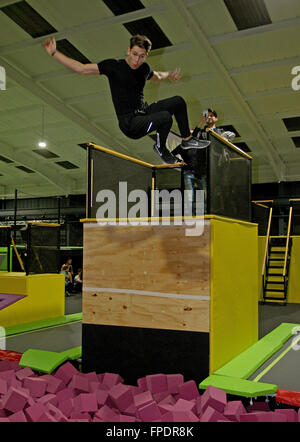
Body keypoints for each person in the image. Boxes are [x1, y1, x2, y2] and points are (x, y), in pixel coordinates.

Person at [42, 35, 210, 164]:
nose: (137, 60)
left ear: (146, 56)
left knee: (178, 101)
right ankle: (161, 148)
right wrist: (55, 53)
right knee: (165, 117)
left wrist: (169, 75)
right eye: (135, 54)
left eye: (142, 56)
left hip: (143, 113)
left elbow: (157, 76)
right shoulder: (113, 67)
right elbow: (81, 68)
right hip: (129, 123)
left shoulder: (144, 69)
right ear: (128, 50)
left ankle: (187, 140)